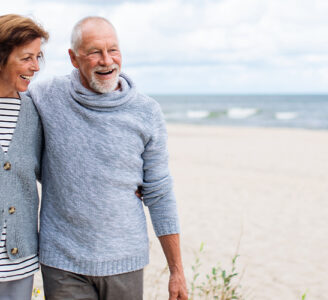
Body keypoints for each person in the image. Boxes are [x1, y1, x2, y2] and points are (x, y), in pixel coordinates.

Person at [28, 16, 188, 300]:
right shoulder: (45, 96)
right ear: (74, 58)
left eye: (113, 50)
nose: (107, 60)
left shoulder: (146, 112)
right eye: (94, 52)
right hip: (62, 262)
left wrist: (176, 271)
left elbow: (160, 193)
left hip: (124, 260)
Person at [0, 14, 49, 300]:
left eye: (38, 57)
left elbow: (57, 170)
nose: (35, 67)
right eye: (26, 58)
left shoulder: (35, 113)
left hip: (19, 266)